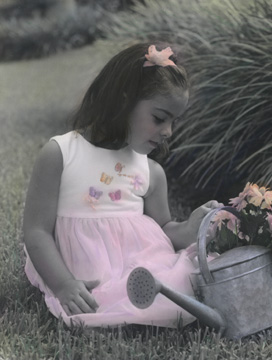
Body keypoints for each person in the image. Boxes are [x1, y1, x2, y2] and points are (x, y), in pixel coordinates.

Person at [22, 42, 223, 328]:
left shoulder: (151, 171)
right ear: (124, 101)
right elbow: (37, 230)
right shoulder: (61, 153)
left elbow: (164, 230)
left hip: (139, 262)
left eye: (173, 122)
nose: (168, 132)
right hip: (85, 269)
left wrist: (190, 228)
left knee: (184, 278)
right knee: (103, 297)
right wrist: (64, 284)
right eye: (159, 118)